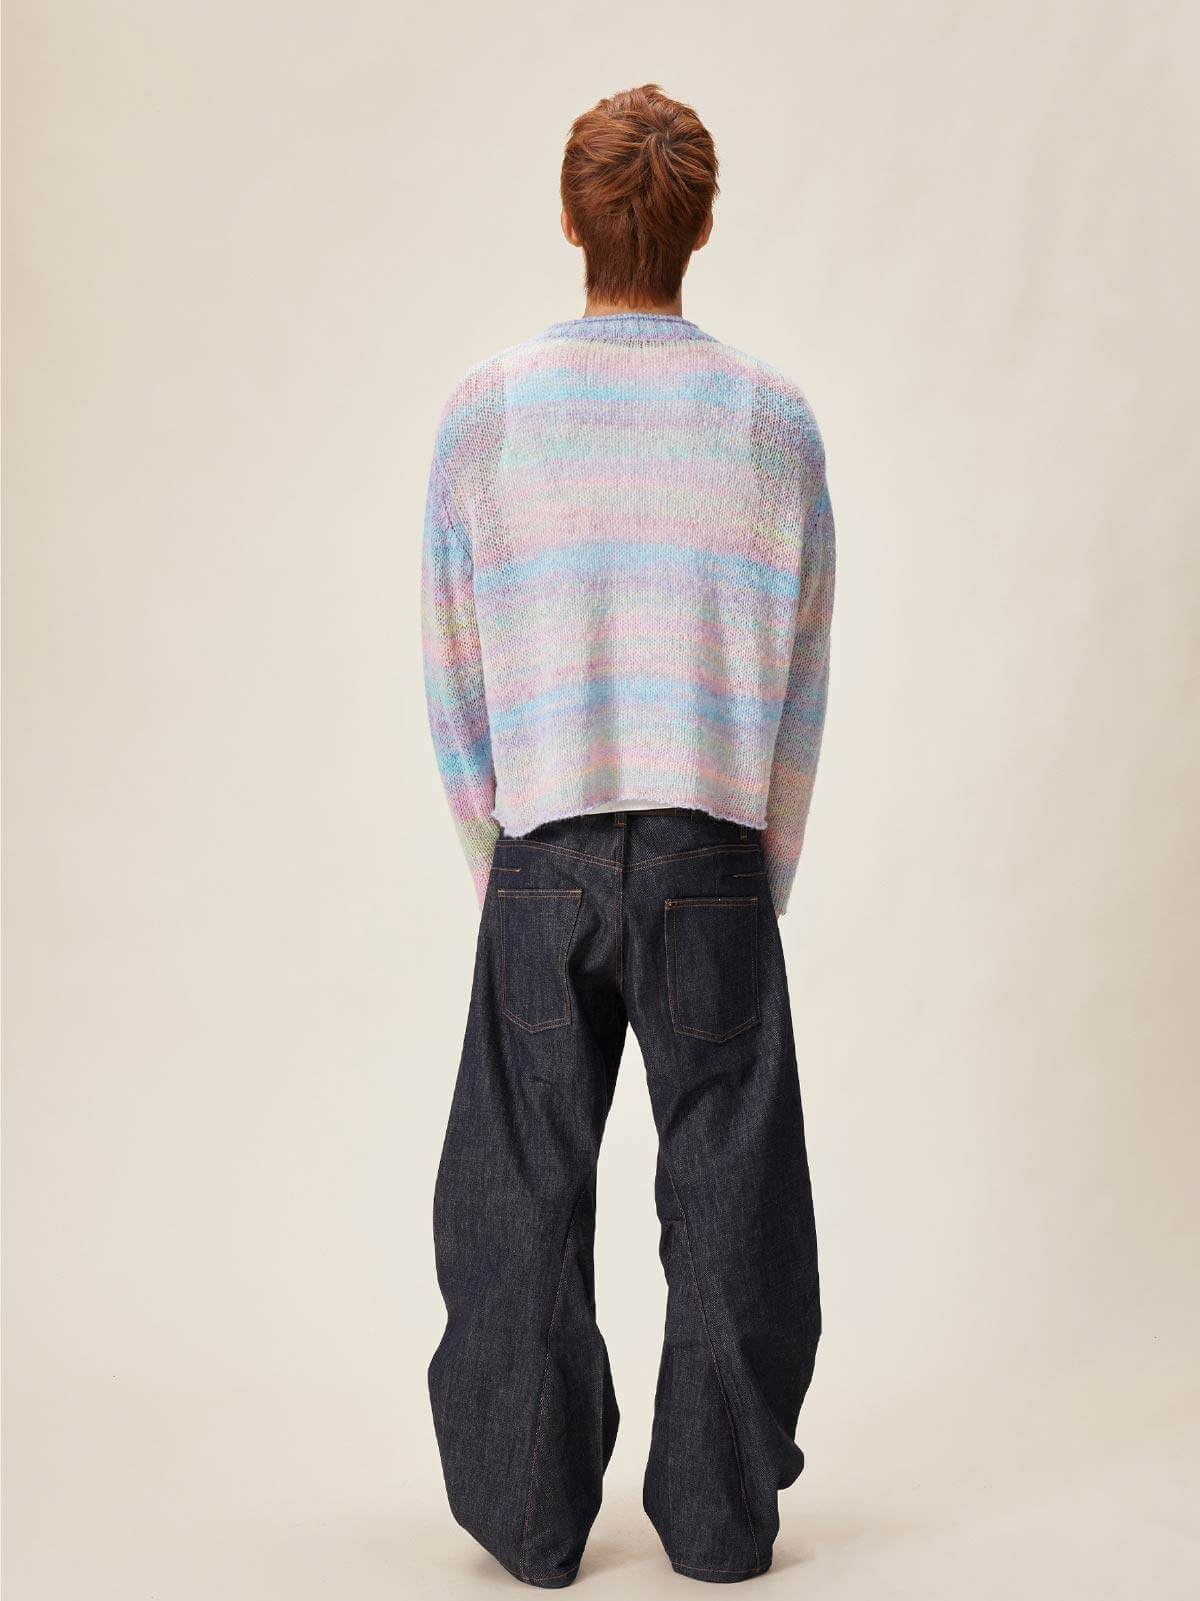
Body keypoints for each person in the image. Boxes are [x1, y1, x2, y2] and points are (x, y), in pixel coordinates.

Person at [420, 82, 836, 1588]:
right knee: (731, 1193)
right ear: (700, 225)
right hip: (713, 845)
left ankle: (530, 1518)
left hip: (540, 847)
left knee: (518, 1189)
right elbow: (801, 675)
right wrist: (756, 870)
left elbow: (453, 663)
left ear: (571, 218)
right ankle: (719, 1521)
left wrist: (503, 860)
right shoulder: (773, 423)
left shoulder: (489, 411)